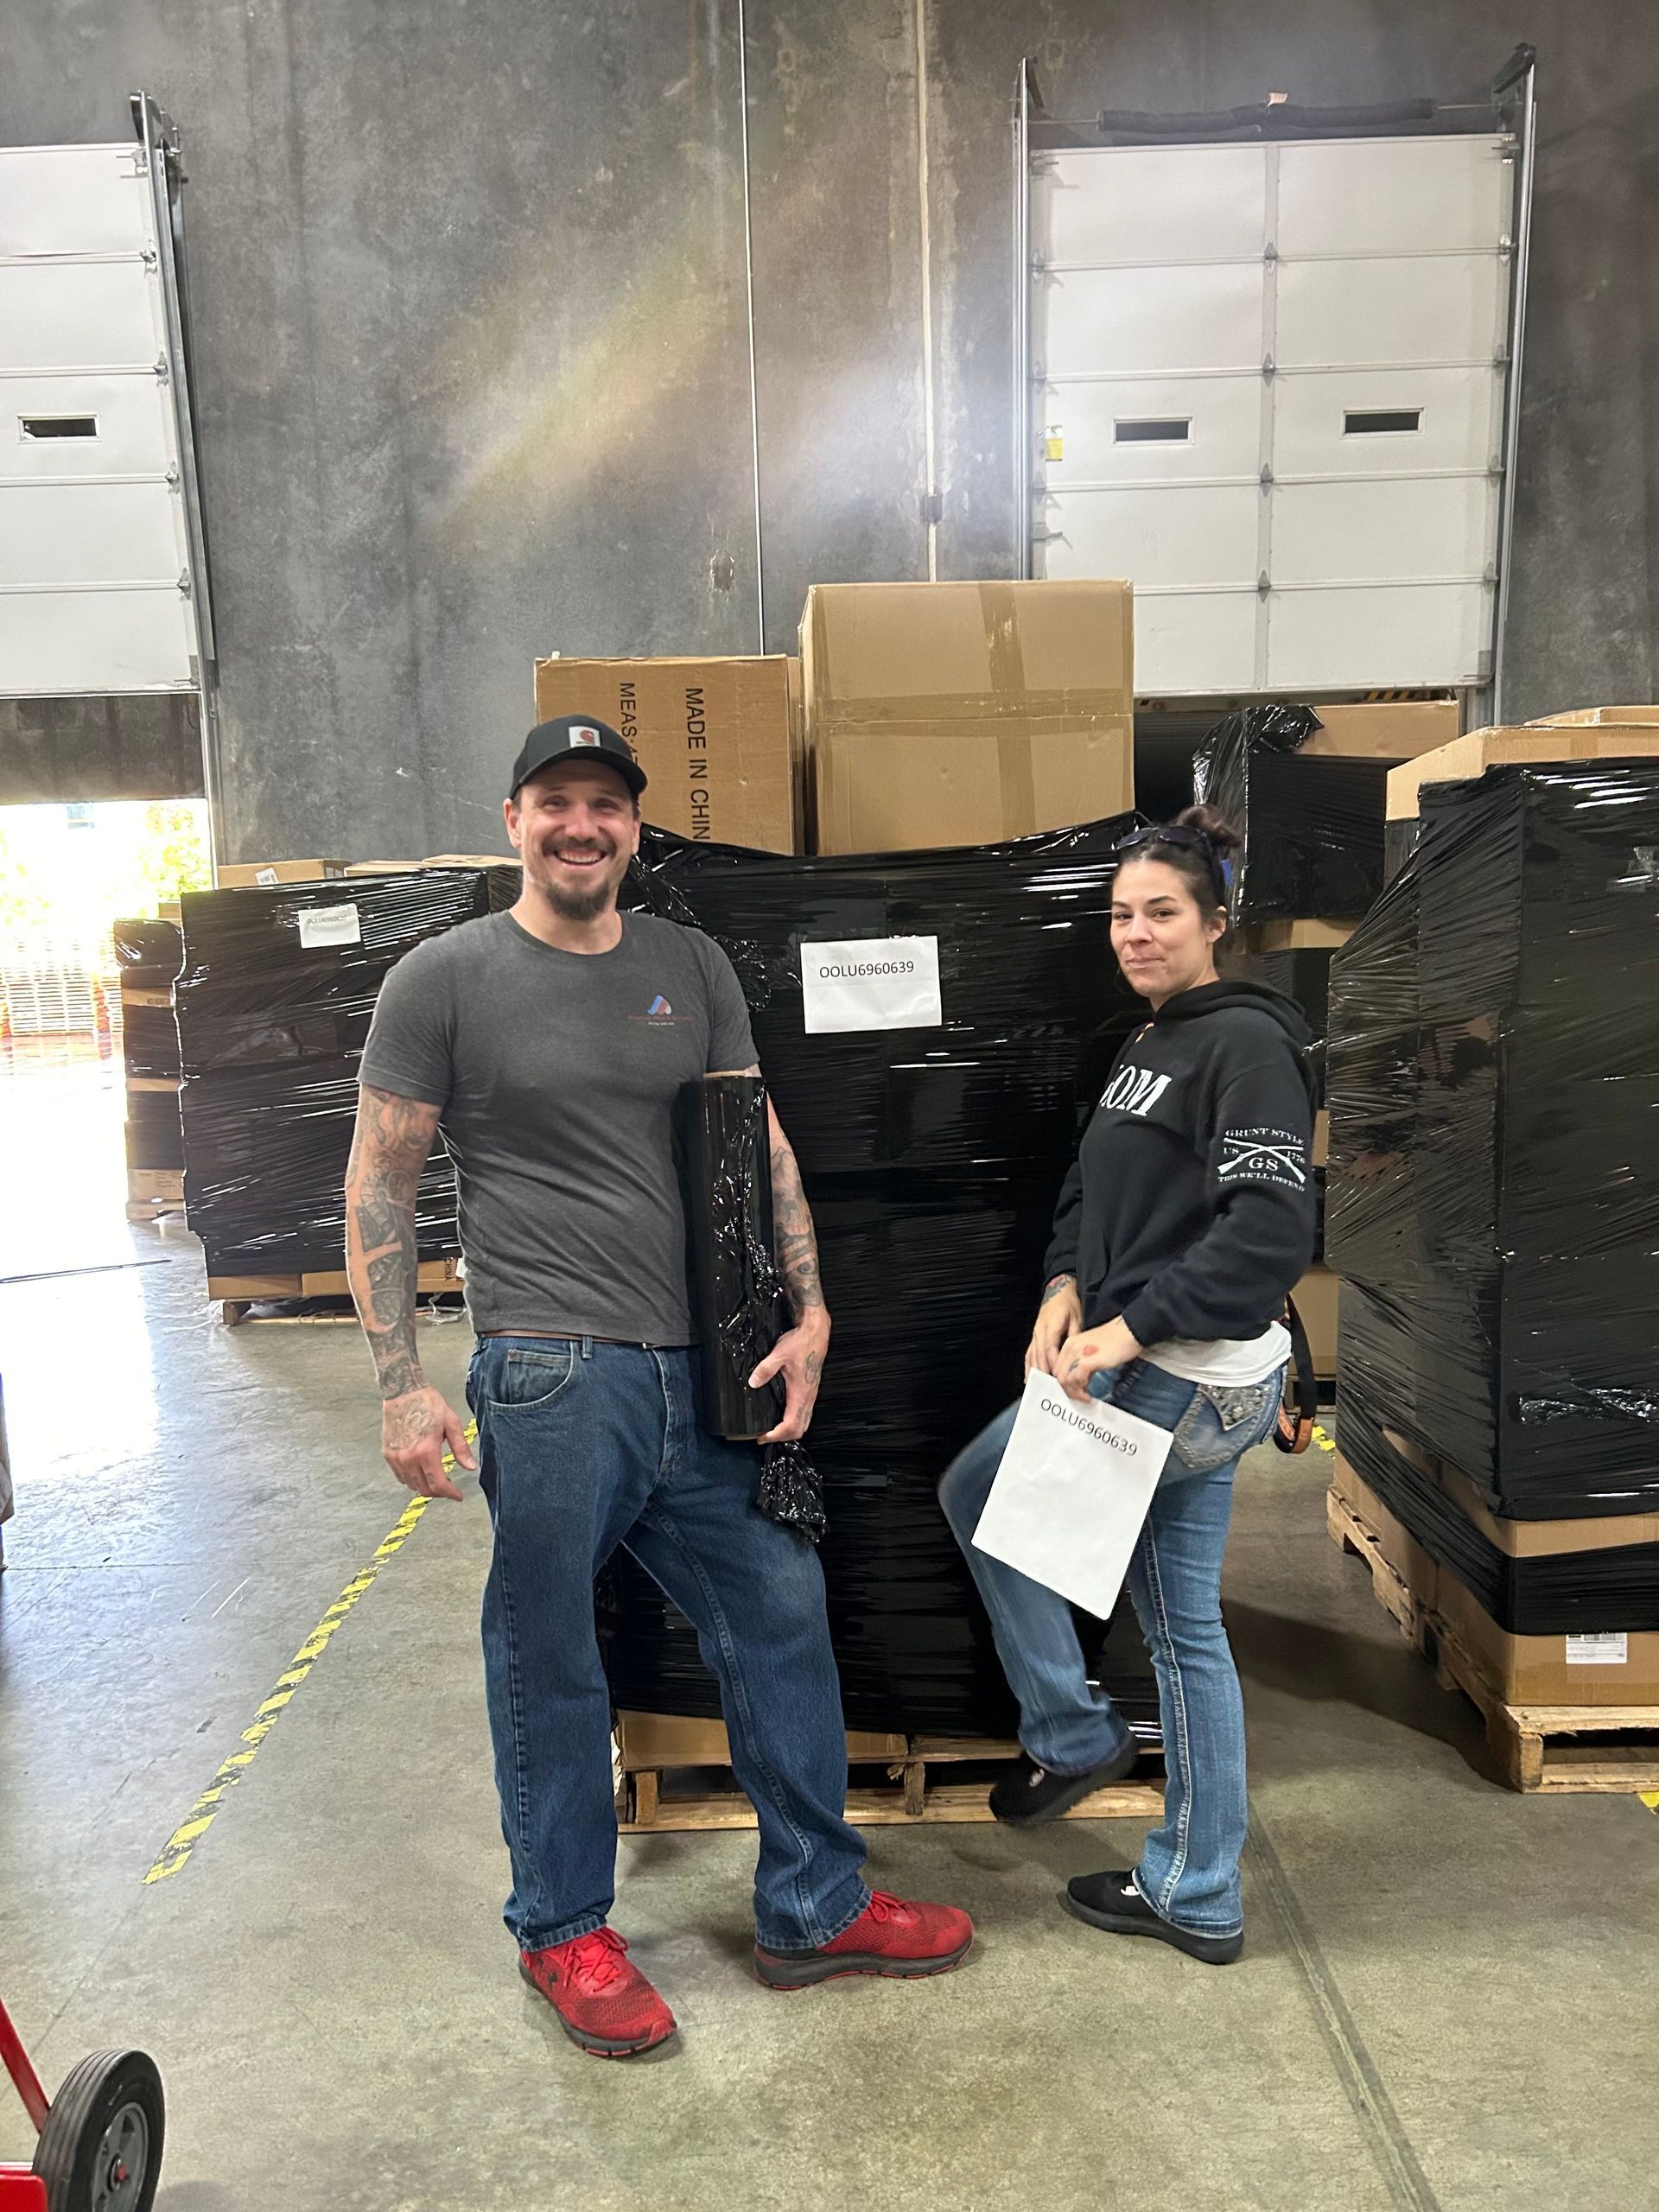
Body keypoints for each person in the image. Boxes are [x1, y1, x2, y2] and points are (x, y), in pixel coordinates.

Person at [345, 715, 972, 2058]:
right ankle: (565, 1928)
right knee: (548, 1651)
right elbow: (381, 1180)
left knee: (783, 1613)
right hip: (550, 1374)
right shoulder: (441, 981)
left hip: (709, 1369)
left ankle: (815, 1902)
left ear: (634, 828)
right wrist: (401, 1381)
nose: (582, 826)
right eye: (556, 801)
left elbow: (760, 1144)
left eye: (606, 805)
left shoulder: (688, 965)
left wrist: (809, 1314)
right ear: (514, 818)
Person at [938, 805, 1316, 1966]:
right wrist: (1063, 1285)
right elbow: (1094, 1194)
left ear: (1215, 923)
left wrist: (1124, 1336)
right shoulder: (1152, 1043)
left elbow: (1268, 1235)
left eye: (1161, 914)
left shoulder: (1245, 1047)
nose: (1136, 934)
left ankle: (1068, 1730)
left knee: (980, 1501)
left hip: (1185, 1378)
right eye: (1121, 915)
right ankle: (1198, 1891)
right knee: (1184, 1628)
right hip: (1168, 1367)